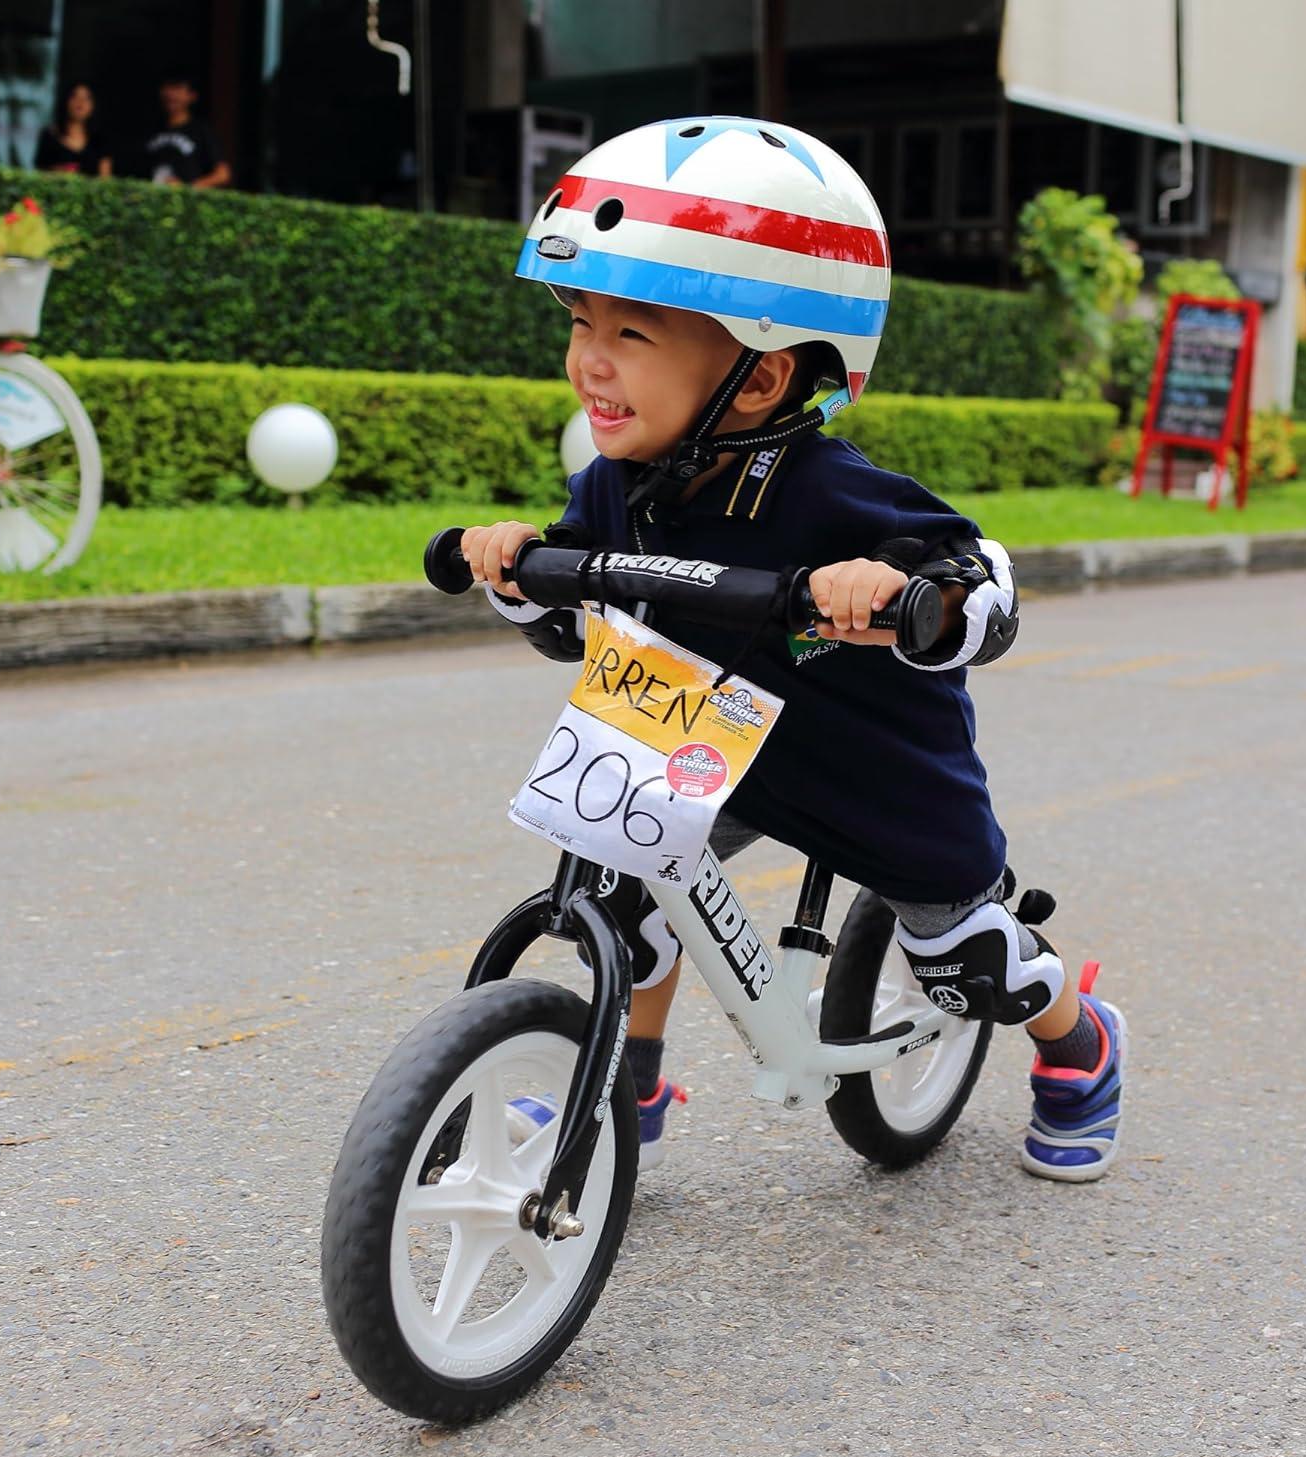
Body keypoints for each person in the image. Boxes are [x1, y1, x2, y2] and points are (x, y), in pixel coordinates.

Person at [463, 118, 1126, 1183]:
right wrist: (517, 571)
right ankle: (626, 1088)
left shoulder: (836, 495)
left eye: (631, 332)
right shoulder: (614, 488)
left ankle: (1080, 1043)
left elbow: (984, 582)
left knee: (966, 963)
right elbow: (567, 620)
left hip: (872, 771)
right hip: (705, 749)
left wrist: (909, 596)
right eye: (580, 321)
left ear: (762, 378)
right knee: (624, 897)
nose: (588, 356)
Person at [142, 73, 231, 189]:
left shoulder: (201, 131)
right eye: (168, 88)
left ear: (192, 96)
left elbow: (223, 174)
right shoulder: (151, 129)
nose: (171, 94)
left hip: (185, 198)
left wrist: (187, 189)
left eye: (178, 88)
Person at [34, 83, 112, 177]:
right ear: (66, 101)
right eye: (74, 96)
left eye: (87, 98)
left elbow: (105, 179)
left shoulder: (99, 141)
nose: (80, 102)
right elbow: (40, 173)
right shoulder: (49, 135)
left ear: (93, 106)